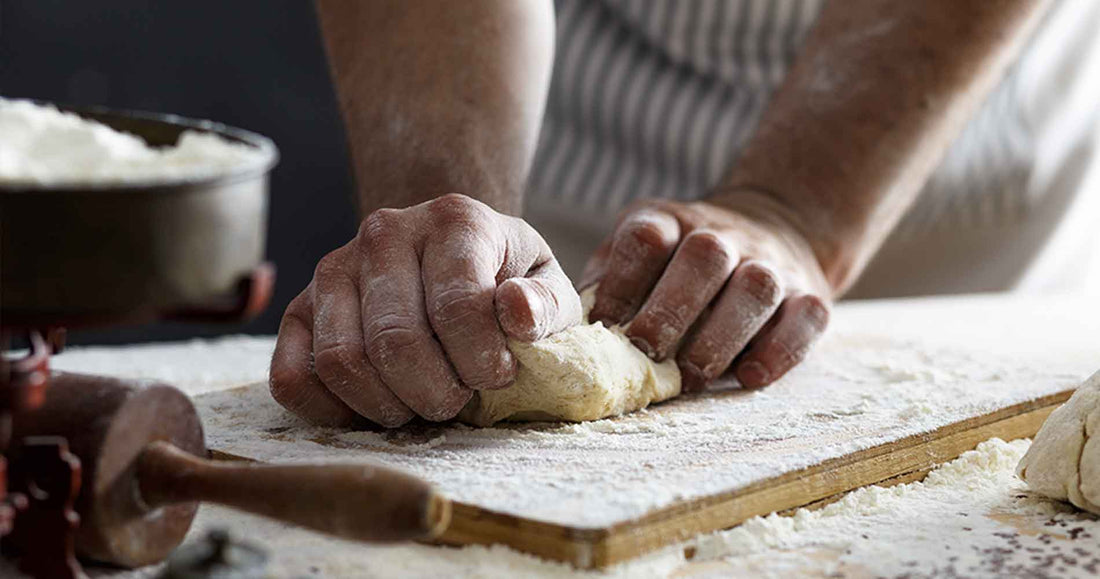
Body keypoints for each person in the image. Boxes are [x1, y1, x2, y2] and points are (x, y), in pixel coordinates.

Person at [269, 0, 1100, 428]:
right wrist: (446, 218)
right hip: (570, 148)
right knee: (487, 346)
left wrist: (796, 210)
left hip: (962, 197)